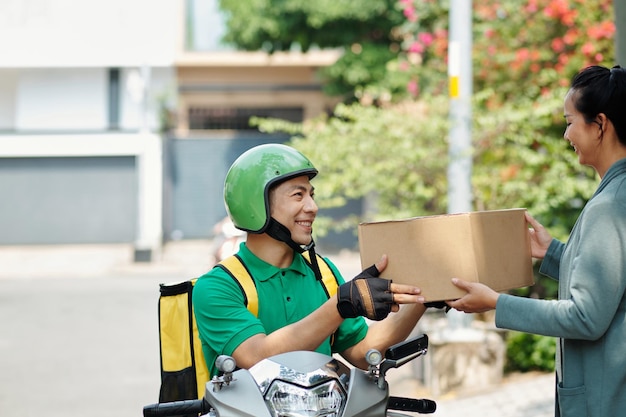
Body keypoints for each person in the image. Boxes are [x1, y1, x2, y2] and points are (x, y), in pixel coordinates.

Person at [447, 65, 626, 417]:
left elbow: (586, 317)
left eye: (570, 121)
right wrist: (555, 253)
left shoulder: (609, 206)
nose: (565, 134)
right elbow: (612, 284)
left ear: (600, 125)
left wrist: (497, 303)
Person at [192, 143, 427, 378]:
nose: (313, 207)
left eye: (312, 195)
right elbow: (258, 357)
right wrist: (341, 305)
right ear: (256, 205)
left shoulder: (322, 273)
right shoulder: (218, 286)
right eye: (298, 195)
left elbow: (362, 351)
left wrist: (424, 299)